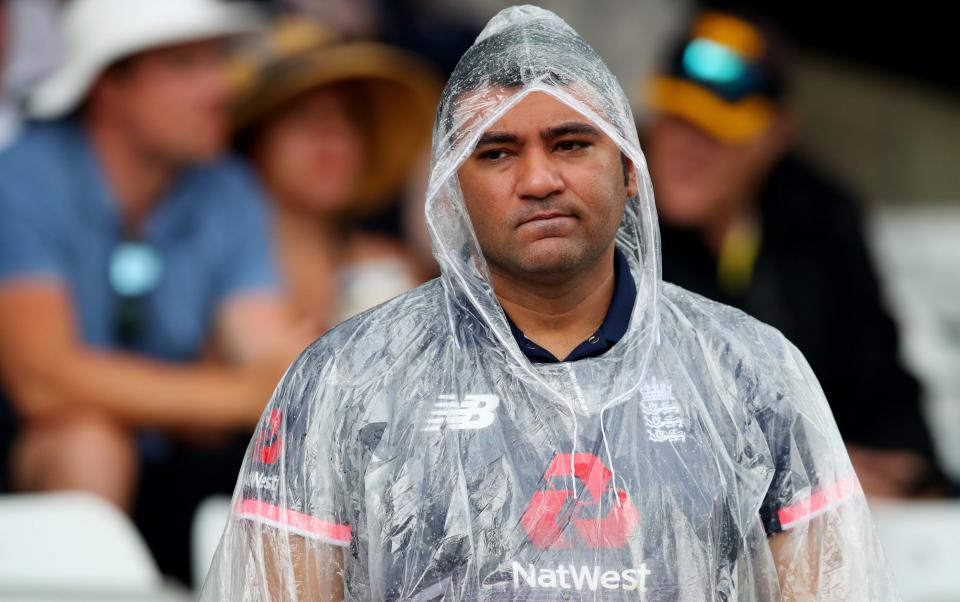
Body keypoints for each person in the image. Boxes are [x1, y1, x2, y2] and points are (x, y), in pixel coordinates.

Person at [202, 6, 899, 600]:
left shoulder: (752, 371)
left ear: (630, 170)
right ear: (451, 190)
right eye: (497, 153)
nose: (538, 179)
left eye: (570, 144)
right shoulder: (342, 380)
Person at [0, 0, 303, 584]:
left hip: (179, 463)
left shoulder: (228, 187)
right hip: (34, 467)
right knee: (88, 440)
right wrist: (235, 395)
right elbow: (41, 380)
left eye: (217, 62)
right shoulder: (21, 178)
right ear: (109, 85)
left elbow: (273, 361)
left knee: (285, 459)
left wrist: (247, 388)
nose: (220, 86)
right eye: (187, 66)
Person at [645, 8, 945, 497]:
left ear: (777, 135)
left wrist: (906, 471)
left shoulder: (821, 220)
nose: (689, 147)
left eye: (719, 129)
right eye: (677, 118)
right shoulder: (610, 212)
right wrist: (811, 469)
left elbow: (885, 391)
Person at [230, 18, 441, 330]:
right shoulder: (212, 270)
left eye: (348, 117)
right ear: (254, 141)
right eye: (302, 116)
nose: (331, 137)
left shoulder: (394, 268)